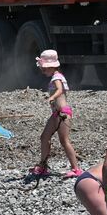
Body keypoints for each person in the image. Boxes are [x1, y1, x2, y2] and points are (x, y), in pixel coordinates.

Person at [31, 50, 80, 179]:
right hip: (56, 114)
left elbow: (59, 89)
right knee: (44, 137)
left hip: (63, 113)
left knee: (64, 141)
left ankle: (76, 169)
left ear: (52, 66)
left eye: (44, 69)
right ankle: (43, 166)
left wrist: (52, 97)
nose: (43, 71)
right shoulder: (55, 77)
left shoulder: (57, 77)